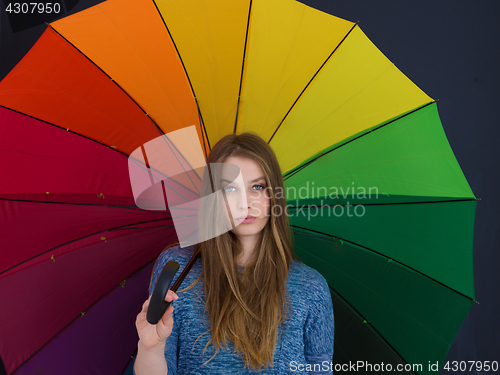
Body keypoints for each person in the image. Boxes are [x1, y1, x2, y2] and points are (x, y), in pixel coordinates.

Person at [134, 132, 334, 374]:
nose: (245, 203)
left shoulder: (311, 287)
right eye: (230, 189)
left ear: (274, 195)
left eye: (258, 187)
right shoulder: (177, 269)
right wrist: (150, 348)